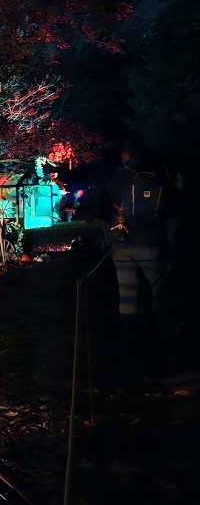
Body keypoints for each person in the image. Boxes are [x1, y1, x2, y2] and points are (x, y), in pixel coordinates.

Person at [105, 138, 167, 373]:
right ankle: (159, 342)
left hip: (122, 245)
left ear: (125, 156)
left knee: (128, 296)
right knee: (157, 291)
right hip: (150, 243)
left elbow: (101, 208)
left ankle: (132, 352)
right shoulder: (156, 176)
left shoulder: (117, 178)